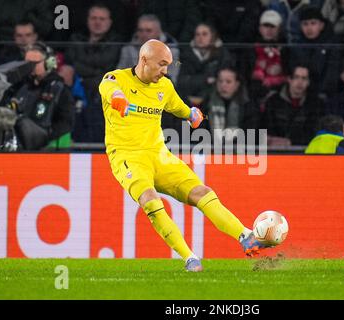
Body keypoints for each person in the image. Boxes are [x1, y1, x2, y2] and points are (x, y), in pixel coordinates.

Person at [98, 39, 268, 272]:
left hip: (159, 155)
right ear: (144, 60)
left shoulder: (164, 87)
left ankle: (245, 235)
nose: (165, 71)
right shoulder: (115, 79)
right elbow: (111, 92)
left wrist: (192, 115)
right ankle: (189, 258)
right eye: (161, 64)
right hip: (128, 157)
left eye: (168, 65)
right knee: (150, 200)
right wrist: (118, 99)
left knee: (202, 192)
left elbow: (179, 107)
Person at [66, 3, 123, 142]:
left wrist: (82, 71)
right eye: (94, 18)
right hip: (78, 94)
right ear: (87, 20)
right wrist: (94, 70)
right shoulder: (76, 39)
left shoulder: (115, 42)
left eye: (102, 19)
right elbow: (71, 64)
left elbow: (107, 68)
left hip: (100, 95)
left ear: (109, 22)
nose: (97, 22)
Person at [4, 42, 74, 151]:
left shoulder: (60, 90)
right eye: (26, 63)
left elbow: (66, 122)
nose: (30, 67)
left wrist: (42, 138)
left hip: (52, 151)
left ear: (49, 63)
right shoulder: (20, 87)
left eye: (35, 63)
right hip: (22, 149)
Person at [261, 63, 323, 147]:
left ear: (308, 82)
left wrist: (291, 142)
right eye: (296, 77)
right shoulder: (273, 101)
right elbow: (264, 128)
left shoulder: (315, 104)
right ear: (289, 79)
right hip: (275, 151)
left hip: (303, 152)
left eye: (304, 78)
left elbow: (314, 133)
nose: (300, 82)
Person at [290, 6, 340, 100]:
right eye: (305, 24)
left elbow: (332, 74)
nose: (309, 28)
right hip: (303, 95)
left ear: (321, 25)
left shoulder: (332, 44)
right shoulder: (296, 46)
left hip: (325, 95)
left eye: (313, 23)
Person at [241, 10, 290, 104]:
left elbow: (288, 75)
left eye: (273, 26)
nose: (269, 30)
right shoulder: (250, 49)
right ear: (259, 28)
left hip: (279, 95)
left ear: (279, 29)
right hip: (253, 95)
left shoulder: (286, 50)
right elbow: (244, 74)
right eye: (265, 26)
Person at [177, 23, 234, 102]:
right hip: (188, 99)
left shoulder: (222, 54)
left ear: (212, 36)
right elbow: (181, 82)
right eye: (197, 34)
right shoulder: (185, 55)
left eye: (204, 34)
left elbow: (222, 81)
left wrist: (194, 80)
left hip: (214, 100)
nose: (200, 38)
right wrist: (205, 80)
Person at [117, 14, 180, 84]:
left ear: (158, 32)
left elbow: (172, 78)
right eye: (140, 30)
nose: (144, 34)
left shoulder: (172, 51)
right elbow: (119, 74)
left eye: (148, 31)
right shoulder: (128, 49)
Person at [202, 67, 260, 132]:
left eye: (228, 82)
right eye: (220, 81)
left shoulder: (247, 105)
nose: (223, 85)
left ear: (237, 84)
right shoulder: (208, 102)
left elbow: (250, 131)